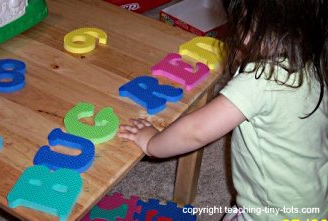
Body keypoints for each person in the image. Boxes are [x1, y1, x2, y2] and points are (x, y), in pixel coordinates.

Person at [118, 0, 328, 220]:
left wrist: (152, 143)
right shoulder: (313, 62)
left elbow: (195, 131)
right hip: (314, 201)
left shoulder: (260, 82)